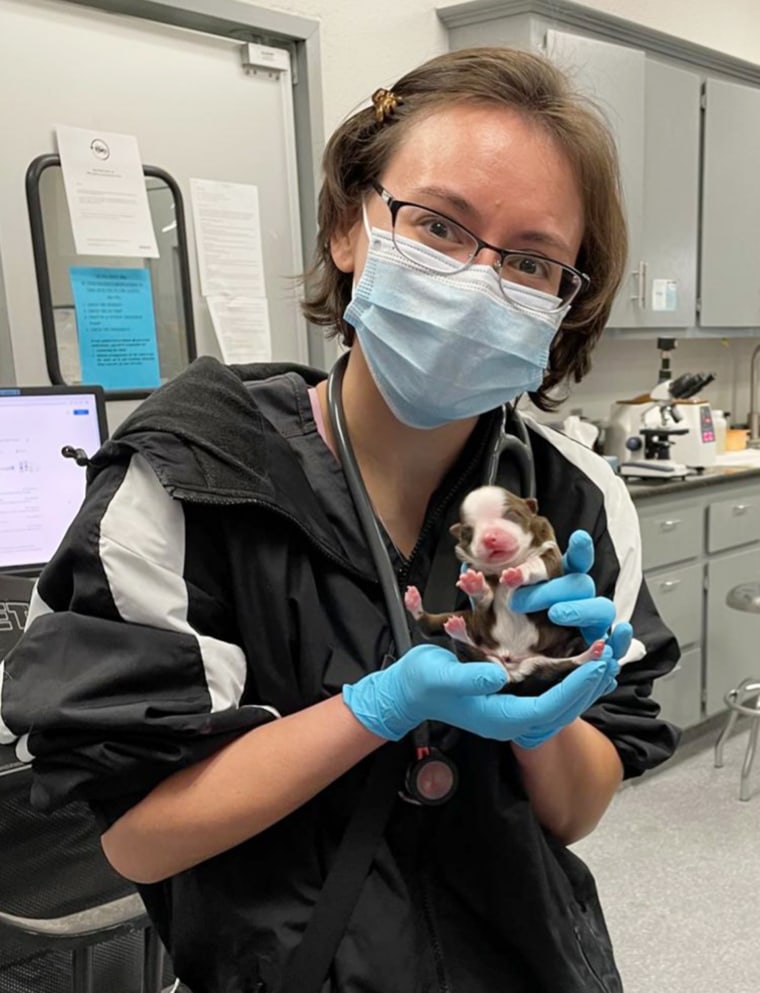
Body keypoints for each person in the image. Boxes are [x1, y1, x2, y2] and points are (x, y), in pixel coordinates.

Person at [1, 46, 679, 993]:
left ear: (565, 303)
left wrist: (536, 687)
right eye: (439, 225)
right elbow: (137, 841)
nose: (479, 280)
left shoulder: (572, 498)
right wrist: (377, 707)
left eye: (532, 259)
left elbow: (574, 814)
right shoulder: (191, 479)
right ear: (348, 224)